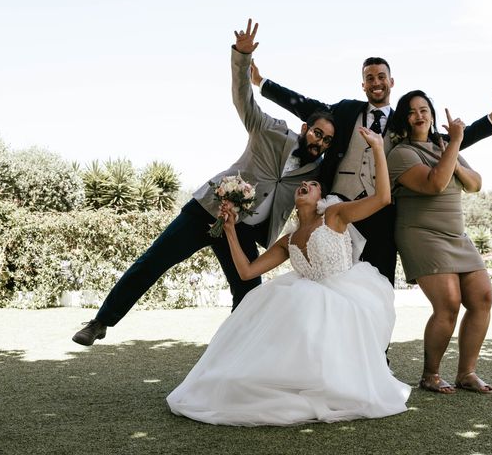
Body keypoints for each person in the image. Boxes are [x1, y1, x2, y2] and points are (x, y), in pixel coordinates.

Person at [72, 19, 335, 346]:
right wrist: (242, 57)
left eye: (326, 141)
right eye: (317, 133)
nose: (320, 142)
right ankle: (100, 322)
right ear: (306, 127)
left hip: (242, 230)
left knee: (249, 294)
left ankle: (231, 360)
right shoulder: (271, 130)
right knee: (153, 261)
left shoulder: (317, 173)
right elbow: (243, 99)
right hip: (209, 208)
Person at [166, 124, 410, 426]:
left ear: (322, 196)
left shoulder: (335, 216)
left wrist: (376, 147)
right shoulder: (288, 240)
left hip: (343, 299)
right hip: (304, 299)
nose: (305, 184)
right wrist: (229, 230)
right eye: (303, 183)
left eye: (313, 184)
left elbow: (383, 197)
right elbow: (246, 271)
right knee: (281, 310)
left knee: (305, 305)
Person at [251, 57, 492, 285]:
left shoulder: (406, 120)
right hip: (338, 209)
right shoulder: (345, 110)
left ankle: (378, 344)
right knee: (334, 281)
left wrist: (491, 121)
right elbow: (304, 105)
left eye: (381, 77)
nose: (376, 82)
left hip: (382, 211)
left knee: (381, 283)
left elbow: (442, 141)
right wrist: (262, 83)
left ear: (391, 82)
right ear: (363, 85)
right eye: (369, 78)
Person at [387, 90, 492, 394]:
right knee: (448, 303)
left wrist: (453, 153)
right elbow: (434, 183)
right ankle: (430, 374)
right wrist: (455, 145)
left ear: (432, 115)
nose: (419, 116)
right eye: (412, 111)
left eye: (424, 109)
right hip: (422, 234)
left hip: (456, 236)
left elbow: (475, 184)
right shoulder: (401, 153)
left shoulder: (444, 146)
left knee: (483, 297)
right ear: (404, 120)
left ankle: (466, 373)